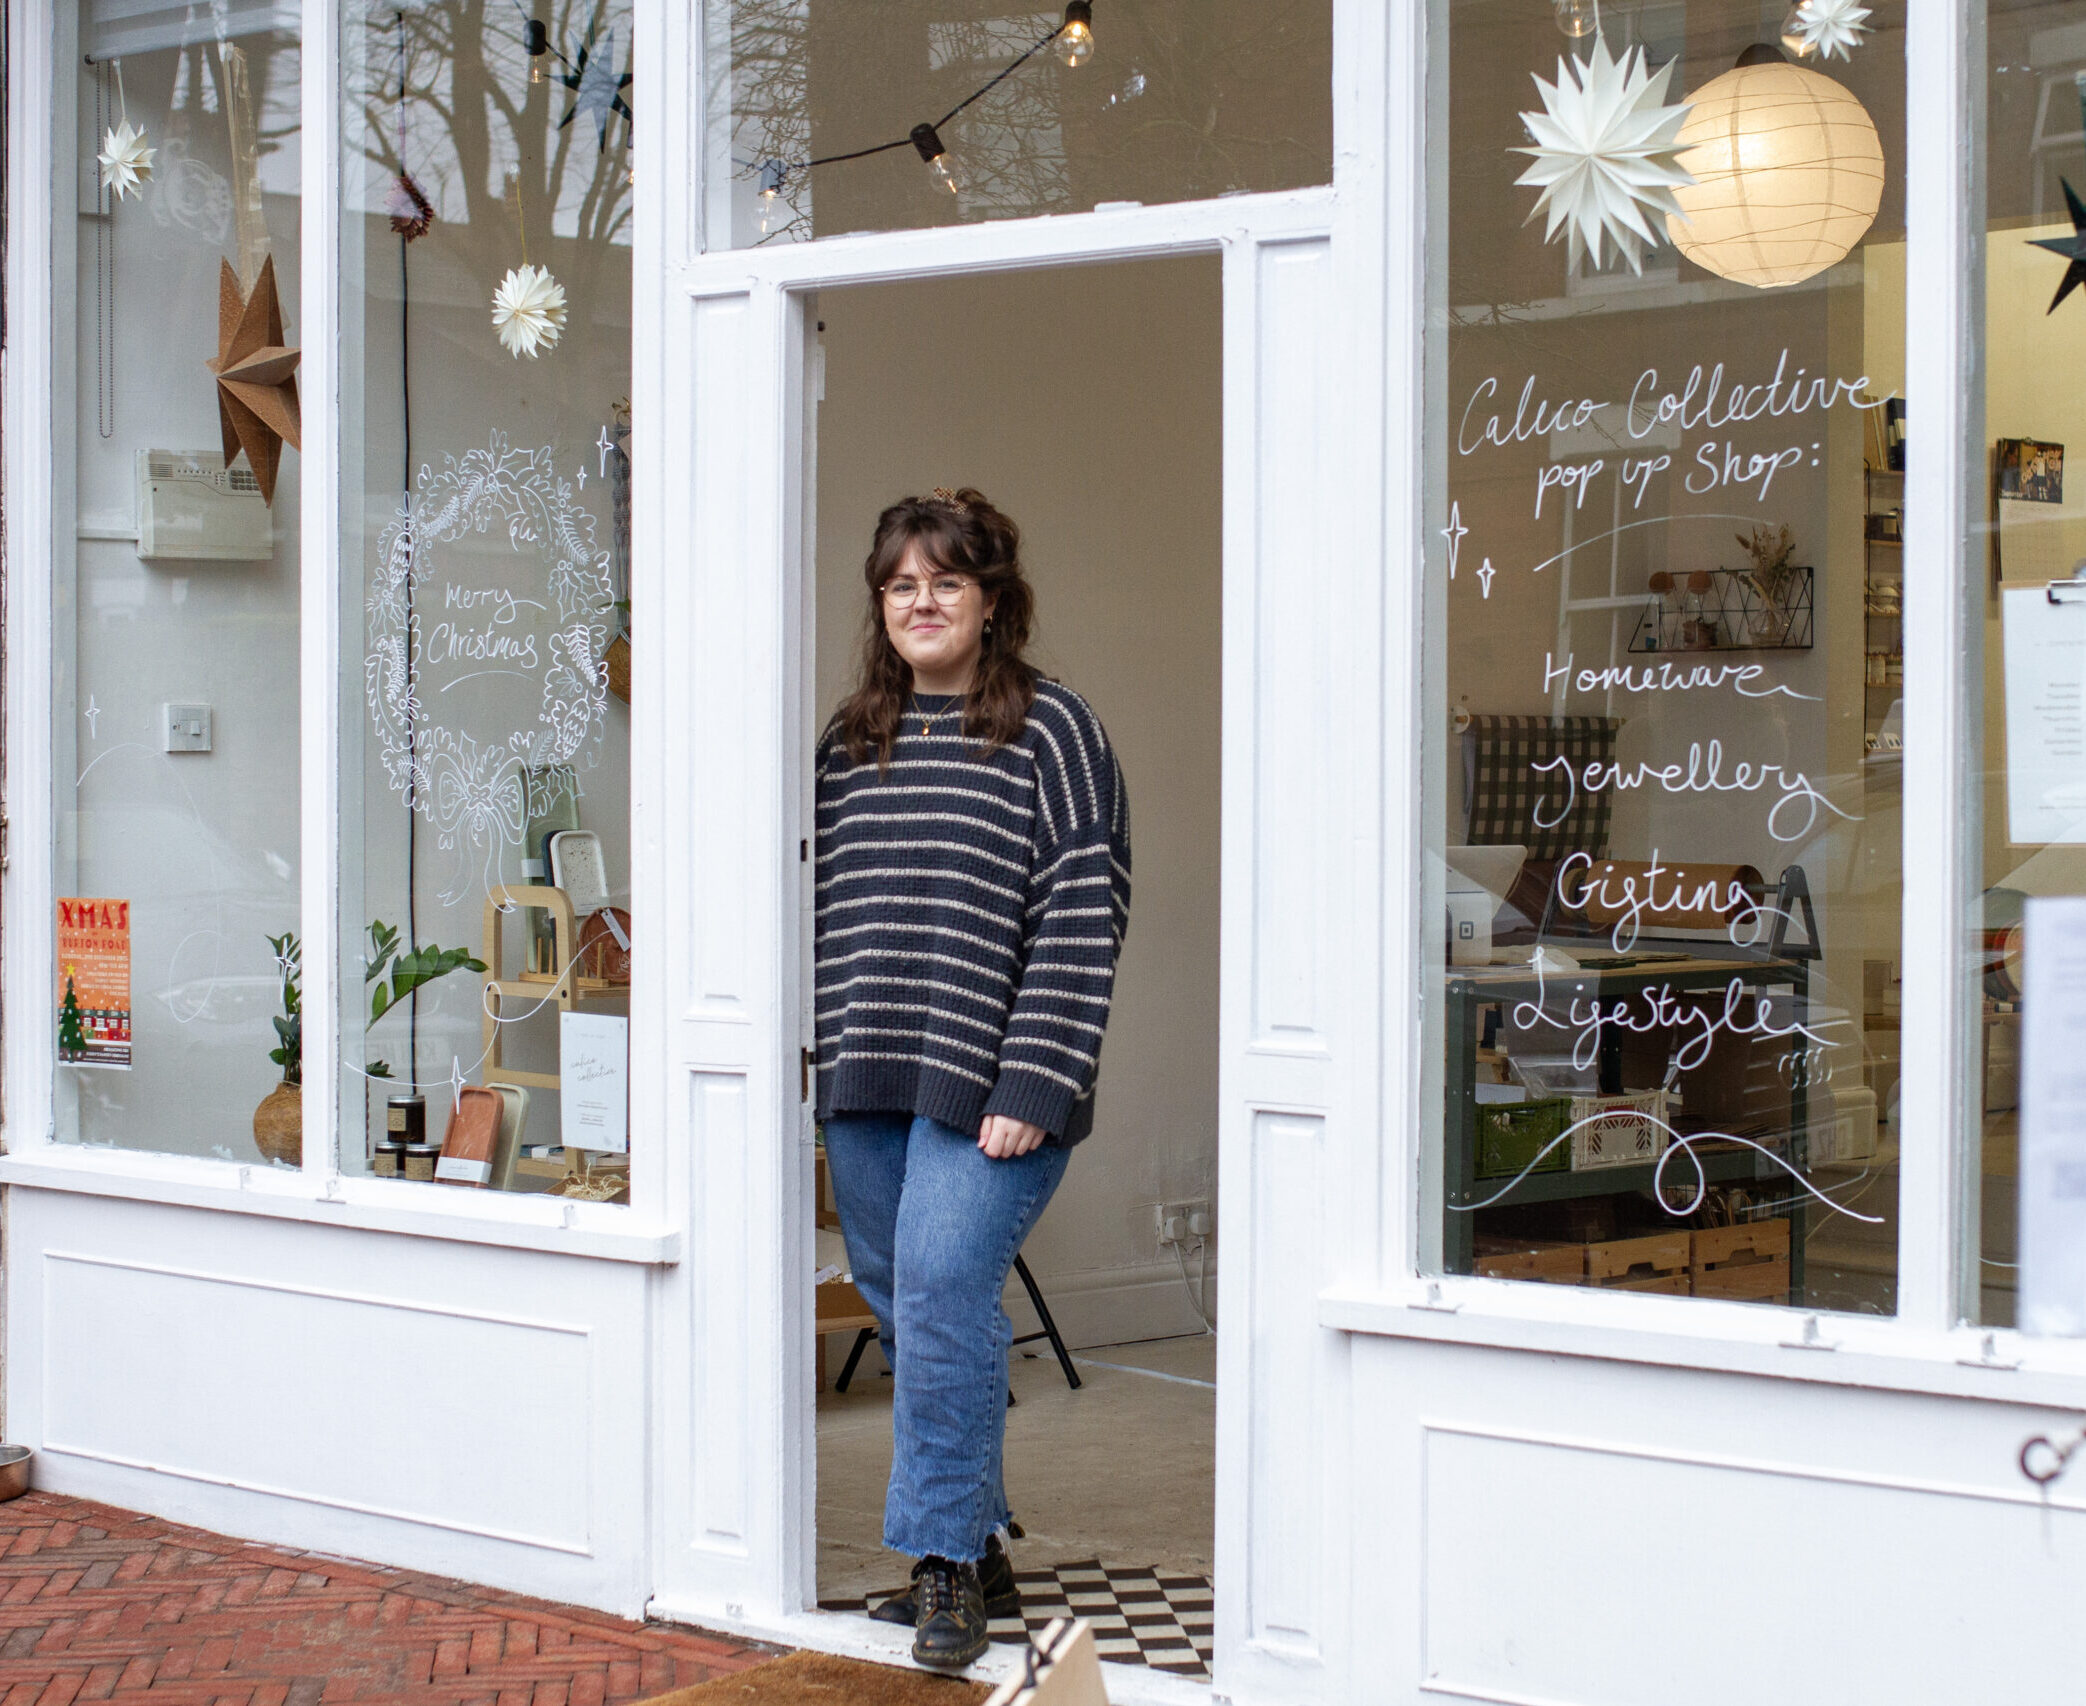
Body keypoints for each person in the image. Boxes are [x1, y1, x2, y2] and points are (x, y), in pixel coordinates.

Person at [815, 487, 1131, 1670]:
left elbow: (1083, 911)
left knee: (946, 1288)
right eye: (901, 584)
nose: (923, 601)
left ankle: (941, 1563)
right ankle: (981, 1536)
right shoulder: (851, 742)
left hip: (997, 1082)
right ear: (880, 603)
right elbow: (820, 914)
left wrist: (1036, 1081)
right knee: (912, 1311)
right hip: (867, 1076)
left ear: (991, 600)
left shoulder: (1053, 731)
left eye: (946, 580)